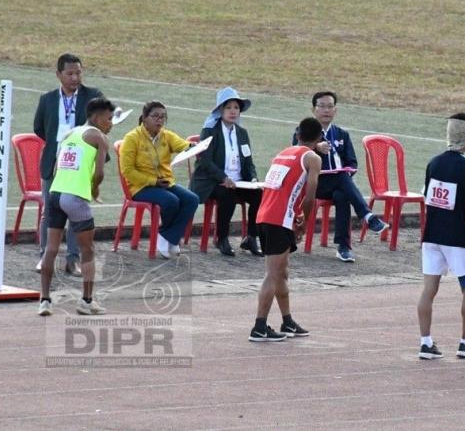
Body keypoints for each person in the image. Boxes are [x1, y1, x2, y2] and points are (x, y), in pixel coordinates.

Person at [417, 113, 465, 361]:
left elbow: (428, 199)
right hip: (458, 237)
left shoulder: (433, 163)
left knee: (429, 289)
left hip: (432, 235)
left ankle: (425, 343)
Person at [38, 98, 115, 317]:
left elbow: (55, 166)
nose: (111, 124)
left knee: (51, 249)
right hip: (75, 199)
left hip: (55, 194)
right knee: (88, 250)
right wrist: (94, 190)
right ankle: (86, 301)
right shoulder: (99, 137)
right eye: (109, 119)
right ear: (97, 118)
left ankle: (44, 300)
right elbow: (99, 173)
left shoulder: (69, 134)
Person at [293, 91, 389, 263]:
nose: (326, 110)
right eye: (322, 106)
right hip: (315, 184)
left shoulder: (342, 134)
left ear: (335, 111)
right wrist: (315, 148)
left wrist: (347, 172)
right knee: (342, 179)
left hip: (339, 184)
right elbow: (296, 155)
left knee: (342, 192)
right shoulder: (304, 132)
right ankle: (367, 216)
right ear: (313, 109)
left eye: (330, 106)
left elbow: (352, 163)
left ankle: (343, 247)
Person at [249, 117, 322, 342]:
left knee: (282, 271)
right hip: (280, 220)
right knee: (273, 274)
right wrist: (305, 223)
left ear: (297, 134)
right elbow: (310, 198)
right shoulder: (313, 159)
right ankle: (259, 326)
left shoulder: (282, 154)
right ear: (319, 137)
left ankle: (287, 321)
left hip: (264, 216)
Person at [33, 53, 104, 276]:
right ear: (59, 75)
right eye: (70, 73)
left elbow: (101, 122)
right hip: (55, 160)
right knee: (49, 211)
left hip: (80, 161)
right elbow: (39, 128)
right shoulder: (47, 99)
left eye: (78, 73)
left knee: (77, 210)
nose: (75, 78)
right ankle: (45, 255)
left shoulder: (93, 96)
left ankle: (72, 260)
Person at [119, 101, 199, 260]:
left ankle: (168, 236)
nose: (159, 120)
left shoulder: (166, 135)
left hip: (164, 183)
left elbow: (182, 145)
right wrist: (153, 181)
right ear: (144, 118)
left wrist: (193, 146)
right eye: (155, 116)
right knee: (171, 201)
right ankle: (169, 237)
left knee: (192, 199)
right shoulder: (132, 138)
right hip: (140, 187)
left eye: (163, 117)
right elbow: (127, 171)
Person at [190, 87, 263, 257]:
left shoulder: (242, 133)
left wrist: (253, 178)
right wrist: (223, 177)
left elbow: (248, 161)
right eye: (228, 107)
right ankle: (221, 238)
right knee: (227, 195)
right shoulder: (209, 131)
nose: (233, 111)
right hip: (211, 181)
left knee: (259, 195)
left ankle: (251, 237)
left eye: (236, 108)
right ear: (220, 110)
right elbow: (204, 160)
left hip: (238, 181)